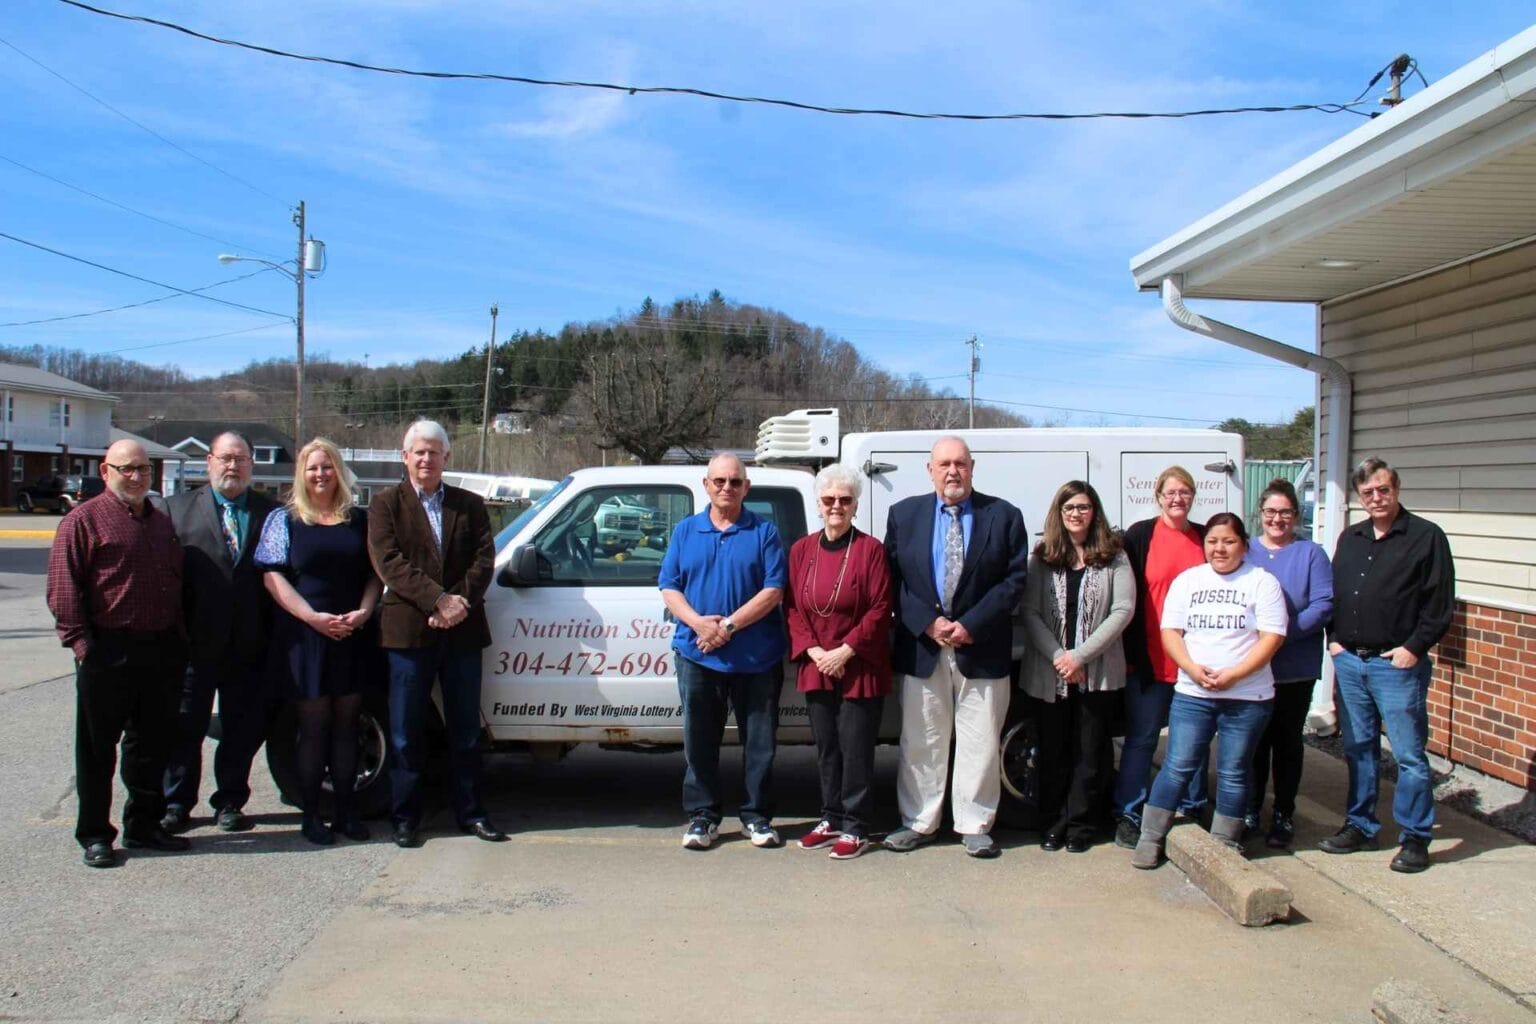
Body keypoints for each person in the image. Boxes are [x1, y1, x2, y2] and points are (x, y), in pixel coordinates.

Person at [46, 439, 189, 868]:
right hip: (107, 649)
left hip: (160, 649)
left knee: (149, 746)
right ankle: (94, 833)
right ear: (106, 471)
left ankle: (143, 824)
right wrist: (82, 645)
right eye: (126, 469)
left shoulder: (160, 521)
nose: (136, 477)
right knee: (96, 749)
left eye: (143, 469)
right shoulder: (83, 521)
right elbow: (62, 587)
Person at [883, 436, 1028, 859]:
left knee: (980, 740)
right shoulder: (903, 514)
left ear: (972, 467)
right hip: (922, 647)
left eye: (960, 464)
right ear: (929, 470)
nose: (952, 472)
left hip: (981, 647)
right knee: (921, 740)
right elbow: (892, 580)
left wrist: (969, 625)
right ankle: (918, 821)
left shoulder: (1003, 516)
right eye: (944, 464)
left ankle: (974, 824)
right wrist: (928, 623)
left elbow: (1014, 581)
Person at [368, 420, 503, 848]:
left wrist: (456, 603)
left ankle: (471, 813)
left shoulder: (470, 504)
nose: (426, 459)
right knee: (406, 731)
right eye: (418, 452)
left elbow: (484, 559)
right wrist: (437, 601)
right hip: (409, 633)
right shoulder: (385, 504)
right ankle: (405, 817)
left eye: (434, 452)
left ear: (447, 457)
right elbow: (389, 561)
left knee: (464, 730)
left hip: (462, 633)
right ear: (405, 457)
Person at [1319, 458, 1454, 874]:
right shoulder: (1352, 537)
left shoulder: (1425, 537)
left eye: (1383, 489)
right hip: (1351, 663)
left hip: (1396, 665)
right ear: (1360, 497)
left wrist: (1414, 648)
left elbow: (1439, 604)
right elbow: (1338, 593)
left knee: (1410, 756)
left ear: (1397, 488)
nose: (1376, 498)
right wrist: (1335, 640)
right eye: (1368, 493)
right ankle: (1361, 825)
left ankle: (1415, 837)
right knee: (1359, 750)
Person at [1130, 513, 1287, 869]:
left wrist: (1235, 674)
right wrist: (1191, 668)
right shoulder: (1188, 581)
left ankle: (1222, 847)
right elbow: (1171, 631)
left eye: (1228, 541)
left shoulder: (1262, 583)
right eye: (1213, 541)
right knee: (1177, 766)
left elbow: (1272, 638)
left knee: (1233, 771)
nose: (1220, 548)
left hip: (1247, 697)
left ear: (1244, 545)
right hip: (1193, 694)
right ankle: (1151, 837)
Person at [256, 438, 382, 846]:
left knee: (347, 728)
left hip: (351, 634)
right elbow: (272, 576)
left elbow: (374, 575)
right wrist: (312, 617)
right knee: (313, 729)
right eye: (313, 468)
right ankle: (312, 815)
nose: (321, 474)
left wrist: (363, 612)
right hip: (306, 636)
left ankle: (347, 813)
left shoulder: (358, 520)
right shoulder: (284, 519)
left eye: (328, 466)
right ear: (302, 473)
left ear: (339, 471)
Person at [659, 452, 787, 851]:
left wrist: (727, 627)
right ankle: (702, 817)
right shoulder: (685, 531)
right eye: (720, 481)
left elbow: (773, 590)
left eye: (735, 481)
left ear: (747, 487)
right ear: (707, 485)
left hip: (757, 658)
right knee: (699, 740)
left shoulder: (764, 531)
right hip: (697, 654)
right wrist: (699, 624)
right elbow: (668, 586)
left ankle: (757, 816)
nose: (727, 488)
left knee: (760, 743)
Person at [161, 431, 280, 835]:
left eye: (242, 459)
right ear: (209, 461)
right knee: (184, 727)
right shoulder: (174, 511)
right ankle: (176, 802)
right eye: (226, 458)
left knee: (240, 728)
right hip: (193, 643)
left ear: (252, 465)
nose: (233, 466)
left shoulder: (272, 514)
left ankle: (230, 800)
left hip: (249, 642)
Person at [783, 464, 892, 860]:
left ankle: (856, 825)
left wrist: (845, 651)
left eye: (845, 500)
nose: (836, 506)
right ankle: (830, 817)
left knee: (856, 748)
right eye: (829, 499)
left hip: (858, 664)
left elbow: (881, 609)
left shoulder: (871, 550)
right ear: (818, 503)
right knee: (827, 747)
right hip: (817, 664)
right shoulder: (801, 550)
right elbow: (793, 607)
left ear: (856, 505)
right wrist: (815, 652)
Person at [1020, 481, 1135, 853]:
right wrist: (1060, 658)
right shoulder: (1043, 556)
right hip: (1050, 672)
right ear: (1059, 512)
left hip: (1096, 672)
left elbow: (1123, 610)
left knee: (1090, 753)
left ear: (1094, 511)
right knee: (1052, 751)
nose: (1076, 513)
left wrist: (1080, 656)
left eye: (1083, 507)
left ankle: (1082, 825)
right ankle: (1053, 822)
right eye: (1069, 507)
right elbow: (1031, 611)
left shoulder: (1114, 555)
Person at [1112, 465, 1210, 849]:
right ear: (1158, 496)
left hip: (1193, 661)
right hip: (1150, 660)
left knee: (1195, 742)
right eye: (1170, 492)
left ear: (1192, 497)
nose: (1177, 499)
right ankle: (1129, 812)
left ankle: (1191, 808)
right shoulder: (1141, 536)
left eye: (1184, 492)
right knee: (1142, 740)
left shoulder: (1204, 537)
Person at [1244, 478, 1333, 850]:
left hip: (1294, 667)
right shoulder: (1245, 550)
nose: (1277, 519)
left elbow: (1323, 604)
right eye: (1270, 512)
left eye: (1285, 512)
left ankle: (1282, 813)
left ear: (1296, 516)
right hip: (1250, 669)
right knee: (1252, 743)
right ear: (1260, 514)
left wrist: (1280, 635)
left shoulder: (1311, 553)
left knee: (1286, 744)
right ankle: (1249, 811)